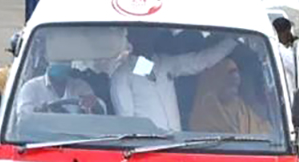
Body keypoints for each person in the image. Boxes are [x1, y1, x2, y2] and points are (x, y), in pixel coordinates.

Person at [110, 36, 238, 130]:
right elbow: (126, 121)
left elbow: (201, 61)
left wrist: (233, 40)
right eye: (141, 33)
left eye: (148, 33)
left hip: (177, 145)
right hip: (145, 149)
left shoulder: (166, 64)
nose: (145, 38)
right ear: (131, 38)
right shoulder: (122, 75)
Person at [190, 51, 271, 135]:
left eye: (236, 87)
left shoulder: (241, 107)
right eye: (230, 86)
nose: (234, 91)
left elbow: (264, 130)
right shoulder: (205, 111)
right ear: (215, 83)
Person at [17, 62, 104, 115]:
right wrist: (38, 114)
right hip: (41, 139)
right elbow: (23, 119)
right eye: (58, 62)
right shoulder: (30, 88)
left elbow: (97, 115)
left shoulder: (81, 86)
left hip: (78, 139)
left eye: (65, 62)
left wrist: (94, 104)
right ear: (48, 63)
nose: (61, 64)